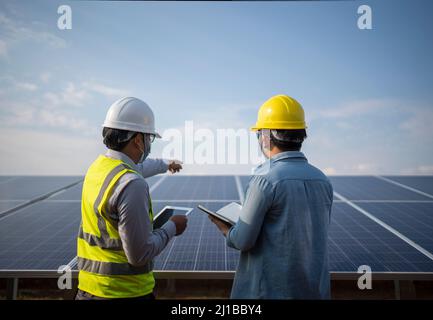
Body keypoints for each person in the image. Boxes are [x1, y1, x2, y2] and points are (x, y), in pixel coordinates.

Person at [209, 94, 333, 299]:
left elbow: (243, 241)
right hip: (314, 292)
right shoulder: (322, 180)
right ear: (301, 135)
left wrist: (226, 229)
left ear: (265, 137)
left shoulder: (265, 180)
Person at [76, 97, 188, 300]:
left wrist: (166, 164)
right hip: (125, 292)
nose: (149, 144)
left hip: (88, 290)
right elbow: (139, 255)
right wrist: (172, 227)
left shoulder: (97, 169)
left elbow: (137, 167)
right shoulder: (132, 184)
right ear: (138, 140)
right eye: (149, 138)